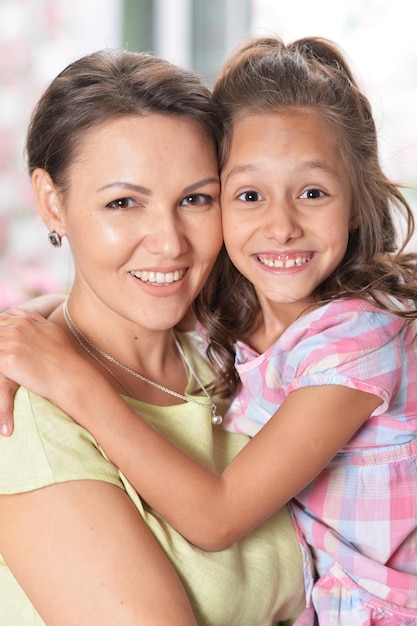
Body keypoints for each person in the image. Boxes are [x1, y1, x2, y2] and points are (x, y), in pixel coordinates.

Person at [1, 34, 416, 625]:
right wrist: (42, 343)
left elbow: (218, 516)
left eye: (195, 199)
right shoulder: (31, 418)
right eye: (123, 203)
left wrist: (49, 344)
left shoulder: (219, 351)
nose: (169, 243)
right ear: (51, 202)